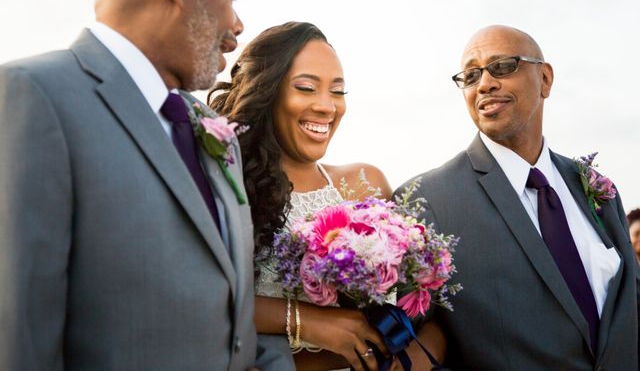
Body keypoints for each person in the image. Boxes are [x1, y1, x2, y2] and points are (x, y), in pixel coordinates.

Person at [0, 0, 292, 370]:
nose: (237, 25)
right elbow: (20, 336)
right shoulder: (33, 95)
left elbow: (230, 315)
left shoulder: (214, 129)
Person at [397, 25, 639, 370]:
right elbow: (410, 347)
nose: (484, 83)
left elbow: (630, 307)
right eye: (470, 75)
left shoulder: (600, 190)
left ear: (545, 79)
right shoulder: (425, 201)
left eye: (502, 66)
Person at [210, 21, 446, 370]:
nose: (326, 106)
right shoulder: (227, 186)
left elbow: (426, 317)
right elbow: (202, 299)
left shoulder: (366, 183)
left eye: (337, 91)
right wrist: (305, 320)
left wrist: (417, 359)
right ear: (267, 92)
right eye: (306, 88)